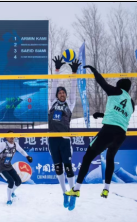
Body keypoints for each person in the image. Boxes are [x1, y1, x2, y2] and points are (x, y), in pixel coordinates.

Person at [65, 65, 135, 210]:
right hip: (121, 134)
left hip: (108, 130)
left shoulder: (116, 91)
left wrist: (93, 70)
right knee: (110, 159)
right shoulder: (131, 104)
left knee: (87, 157)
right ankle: (106, 188)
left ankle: (76, 189)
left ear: (120, 86)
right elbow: (119, 115)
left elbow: (101, 82)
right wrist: (102, 115)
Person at [49, 56, 81, 208]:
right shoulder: (52, 103)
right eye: (60, 92)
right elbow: (54, 83)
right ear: (56, 95)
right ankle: (64, 193)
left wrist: (74, 73)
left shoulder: (70, 104)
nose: (62, 94)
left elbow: (73, 88)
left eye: (64, 93)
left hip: (65, 139)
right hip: (52, 139)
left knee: (68, 166)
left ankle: (72, 193)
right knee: (58, 168)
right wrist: (57, 70)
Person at [0, 131, 33, 205]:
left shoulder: (15, 145)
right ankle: (9, 200)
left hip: (9, 166)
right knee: (11, 181)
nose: (12, 137)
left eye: (13, 136)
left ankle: (12, 192)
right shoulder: (3, 145)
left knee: (18, 181)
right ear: (6, 137)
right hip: (1, 168)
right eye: (10, 136)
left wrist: (27, 156)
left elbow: (22, 151)